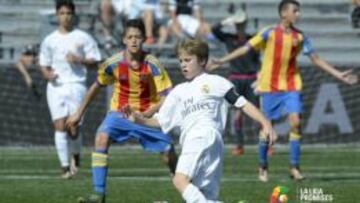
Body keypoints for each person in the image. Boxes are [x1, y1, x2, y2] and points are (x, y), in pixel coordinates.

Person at [207, 0, 358, 182]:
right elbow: (244, 49)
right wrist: (221, 61)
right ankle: (263, 165)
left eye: (299, 11)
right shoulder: (268, 33)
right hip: (270, 87)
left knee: (295, 122)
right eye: (295, 11)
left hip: (292, 86)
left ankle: (294, 167)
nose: (298, 14)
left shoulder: (300, 37)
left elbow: (316, 59)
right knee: (267, 127)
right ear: (284, 13)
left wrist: (339, 75)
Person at [122, 38, 277, 203]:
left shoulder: (216, 82)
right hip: (206, 142)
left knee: (180, 180)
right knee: (204, 196)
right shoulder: (178, 92)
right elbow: (160, 122)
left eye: (188, 60)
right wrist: (138, 119)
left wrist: (266, 124)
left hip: (202, 135)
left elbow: (243, 103)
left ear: (203, 60)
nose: (183, 64)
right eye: (181, 60)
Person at [66, 19, 178, 203]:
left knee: (168, 152)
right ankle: (98, 194)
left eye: (138, 37)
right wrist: (79, 113)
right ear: (124, 40)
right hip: (120, 114)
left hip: (146, 116)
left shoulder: (153, 64)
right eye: (130, 37)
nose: (134, 41)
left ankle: (180, 178)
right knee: (101, 137)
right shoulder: (113, 63)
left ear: (144, 39)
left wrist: (149, 112)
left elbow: (168, 95)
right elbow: (96, 86)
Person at [39, 0, 101, 179]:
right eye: (62, 13)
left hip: (77, 85)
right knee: (59, 125)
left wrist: (79, 60)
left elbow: (95, 60)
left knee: (73, 128)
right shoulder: (49, 40)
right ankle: (65, 167)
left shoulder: (83, 37)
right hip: (56, 87)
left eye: (68, 13)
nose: (65, 17)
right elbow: (43, 64)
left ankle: (76, 155)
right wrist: (47, 75)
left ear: (73, 15)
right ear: (57, 15)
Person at [211, 8, 261, 156]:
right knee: (237, 115)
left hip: (251, 78)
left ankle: (266, 143)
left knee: (257, 114)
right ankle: (239, 145)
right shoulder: (229, 38)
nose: (240, 26)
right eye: (238, 24)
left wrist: (259, 75)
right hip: (236, 79)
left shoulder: (253, 39)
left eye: (242, 24)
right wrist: (227, 20)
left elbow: (259, 58)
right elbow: (214, 30)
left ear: (245, 24)